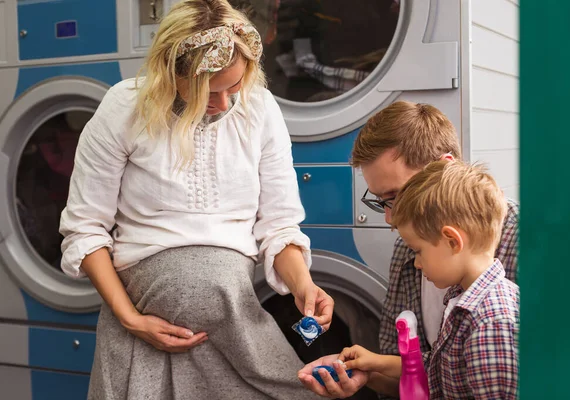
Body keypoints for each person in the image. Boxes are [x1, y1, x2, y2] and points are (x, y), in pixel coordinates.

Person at [59, 1, 332, 399]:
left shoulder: (260, 109)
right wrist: (130, 318)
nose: (223, 104)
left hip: (235, 325)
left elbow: (279, 226)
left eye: (233, 88)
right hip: (141, 326)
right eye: (208, 91)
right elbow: (84, 229)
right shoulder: (124, 107)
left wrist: (303, 284)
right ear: (171, 75)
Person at [298, 101, 518, 398]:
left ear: (445, 167)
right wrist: (367, 374)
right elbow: (434, 372)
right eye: (380, 200)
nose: (389, 218)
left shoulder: (529, 254)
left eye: (397, 195)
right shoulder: (409, 250)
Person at [335, 160, 520, 399]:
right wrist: (376, 363)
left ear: (452, 241)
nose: (416, 263)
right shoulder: (463, 298)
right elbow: (441, 366)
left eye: (419, 250)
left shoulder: (490, 324)